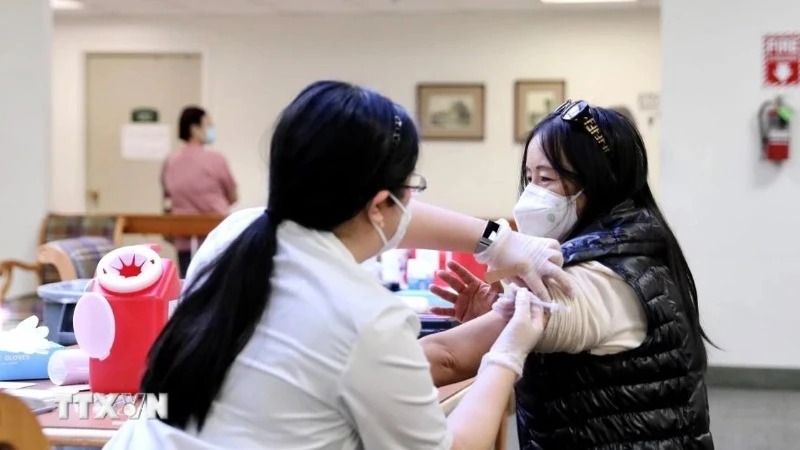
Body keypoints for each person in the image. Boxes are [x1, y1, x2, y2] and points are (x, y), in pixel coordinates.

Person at [103, 80, 560, 450]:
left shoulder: (235, 234)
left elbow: (393, 221)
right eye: (412, 187)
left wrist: (498, 241)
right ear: (378, 205)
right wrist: (508, 355)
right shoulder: (365, 316)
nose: (413, 202)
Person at [420, 100, 715, 449]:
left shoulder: (593, 278)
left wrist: (372, 358)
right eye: (530, 178)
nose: (532, 193)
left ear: (602, 181)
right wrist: (495, 317)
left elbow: (447, 358)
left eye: (546, 178)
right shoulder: (634, 244)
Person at [161, 106, 238, 278]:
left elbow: (167, 197)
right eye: (208, 125)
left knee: (188, 284)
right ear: (195, 129)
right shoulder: (216, 160)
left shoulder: (170, 161)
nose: (211, 129)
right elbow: (233, 196)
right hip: (216, 237)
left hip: (183, 238)